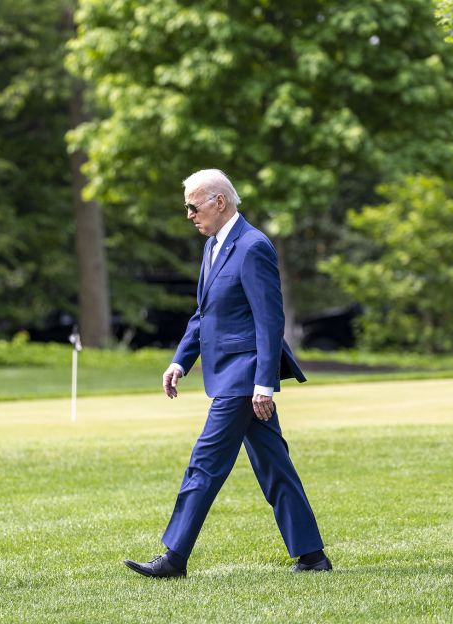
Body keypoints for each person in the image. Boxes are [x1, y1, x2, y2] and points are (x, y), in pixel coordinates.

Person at [122, 169, 330, 579]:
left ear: (220, 201)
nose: (188, 215)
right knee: (275, 467)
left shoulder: (253, 246)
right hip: (230, 377)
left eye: (193, 206)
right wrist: (180, 360)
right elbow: (204, 315)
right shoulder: (213, 247)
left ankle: (174, 558)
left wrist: (264, 383)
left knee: (204, 463)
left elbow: (270, 321)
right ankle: (312, 555)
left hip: (244, 379)